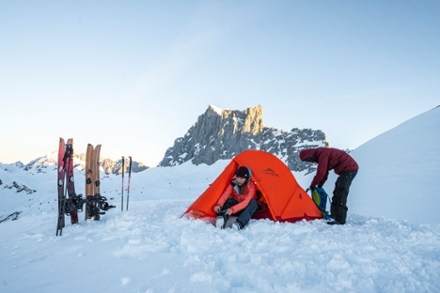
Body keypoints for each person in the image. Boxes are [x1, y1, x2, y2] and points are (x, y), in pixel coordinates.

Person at [299, 147, 358, 225]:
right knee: (336, 192)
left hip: (349, 169)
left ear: (310, 154)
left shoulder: (322, 153)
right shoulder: (322, 154)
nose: (310, 161)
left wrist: (313, 185)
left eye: (308, 159)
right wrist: (319, 186)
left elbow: (321, 172)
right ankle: (334, 216)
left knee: (341, 193)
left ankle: (340, 220)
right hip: (346, 171)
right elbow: (325, 173)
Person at [213, 166, 259, 230]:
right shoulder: (234, 183)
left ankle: (239, 223)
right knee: (229, 200)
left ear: (246, 179)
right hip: (238, 208)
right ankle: (222, 219)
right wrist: (219, 205)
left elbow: (246, 202)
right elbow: (225, 195)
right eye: (238, 177)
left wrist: (233, 209)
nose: (239, 180)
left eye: (242, 178)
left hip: (248, 210)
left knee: (253, 202)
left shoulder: (251, 186)